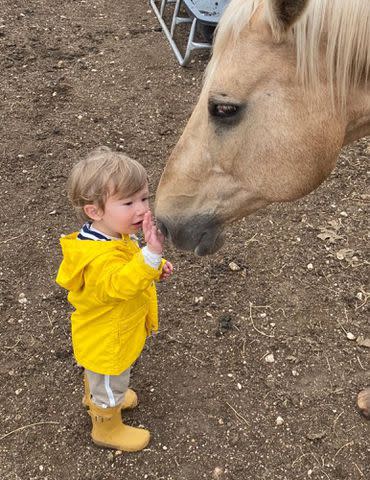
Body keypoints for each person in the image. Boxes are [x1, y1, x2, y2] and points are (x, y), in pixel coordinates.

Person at [56, 146, 173, 452]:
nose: (141, 209)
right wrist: (152, 255)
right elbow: (119, 283)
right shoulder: (97, 259)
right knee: (111, 380)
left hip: (114, 331)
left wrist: (155, 267)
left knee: (106, 380)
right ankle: (106, 427)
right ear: (95, 211)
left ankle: (96, 396)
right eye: (128, 202)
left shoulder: (114, 233)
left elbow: (131, 264)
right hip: (108, 339)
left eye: (145, 198)